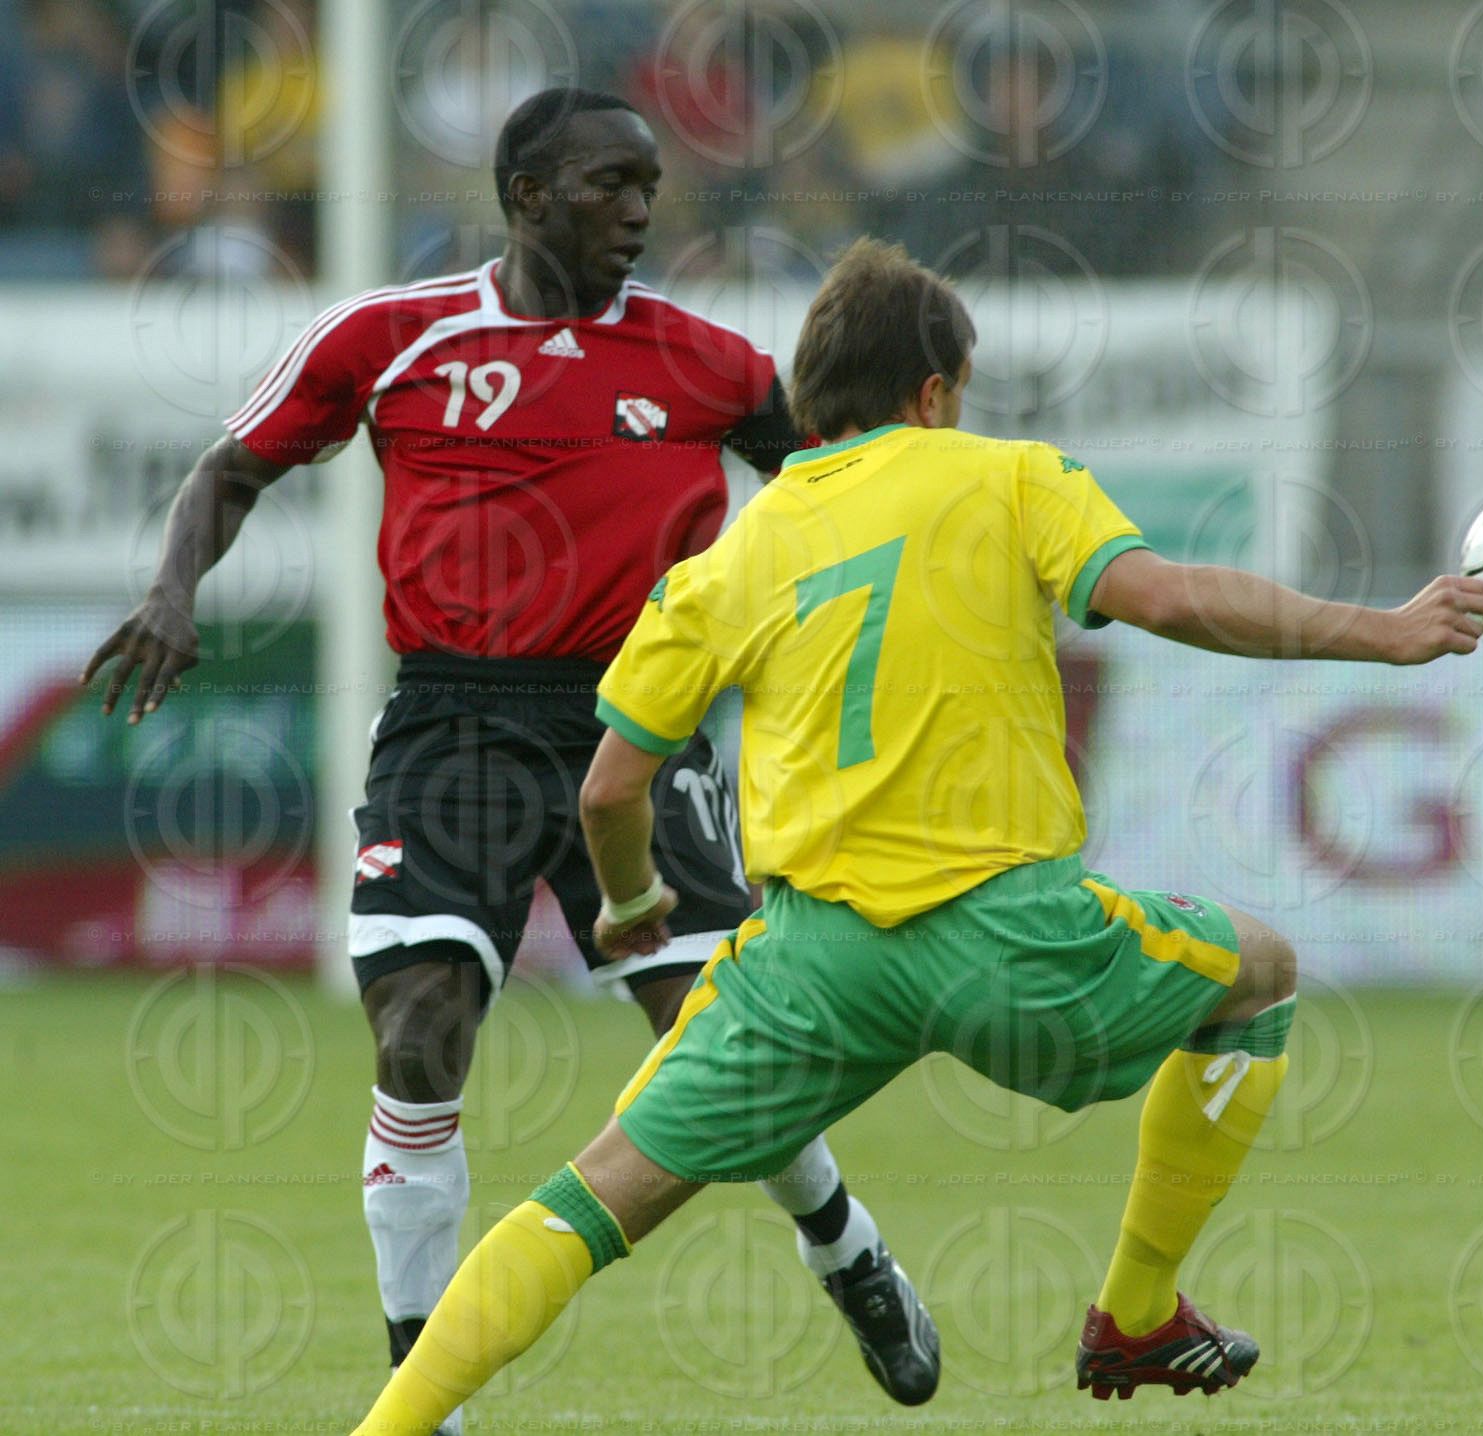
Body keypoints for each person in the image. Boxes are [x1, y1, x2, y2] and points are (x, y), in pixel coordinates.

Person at [340, 235, 1483, 1431]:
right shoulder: (1007, 476)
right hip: (1009, 938)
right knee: (1257, 974)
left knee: (592, 1197)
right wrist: (1385, 628)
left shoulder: (739, 548)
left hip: (810, 965)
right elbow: (1166, 597)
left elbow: (607, 792)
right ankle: (1138, 1307)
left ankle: (384, 1427)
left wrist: (633, 902)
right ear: (935, 390)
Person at [81, 92, 939, 1432]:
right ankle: (435, 1399)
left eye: (652, 186)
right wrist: (175, 593)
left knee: (715, 1056)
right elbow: (229, 470)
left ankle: (843, 1243)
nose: (642, 211)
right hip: (454, 723)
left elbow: (833, 498)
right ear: (530, 194)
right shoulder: (393, 336)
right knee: (419, 1037)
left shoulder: (711, 361)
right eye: (612, 184)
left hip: (636, 727)